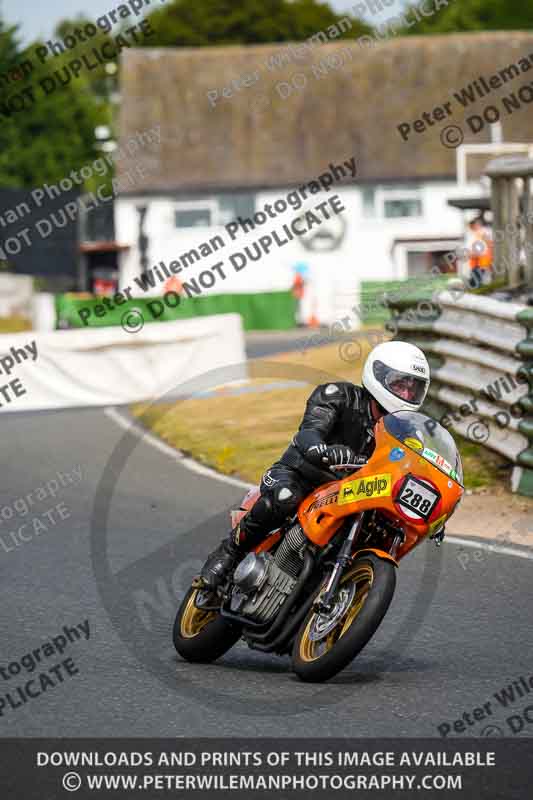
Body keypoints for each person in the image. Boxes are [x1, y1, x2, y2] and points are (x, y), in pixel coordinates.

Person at [199, 340, 431, 589]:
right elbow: (310, 431)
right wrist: (322, 449)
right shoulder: (337, 395)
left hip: (352, 494)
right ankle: (230, 552)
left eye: (413, 389)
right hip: (303, 474)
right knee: (284, 497)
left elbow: (417, 469)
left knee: (381, 529)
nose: (406, 395)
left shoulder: (409, 434)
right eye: (400, 385)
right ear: (378, 375)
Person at [467, 217, 493, 288]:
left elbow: (486, 246)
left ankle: (475, 287)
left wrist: (473, 253)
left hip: (482, 261)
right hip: (476, 262)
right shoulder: (474, 234)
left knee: (478, 279)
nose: (471, 228)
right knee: (476, 279)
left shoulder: (483, 233)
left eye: (472, 226)